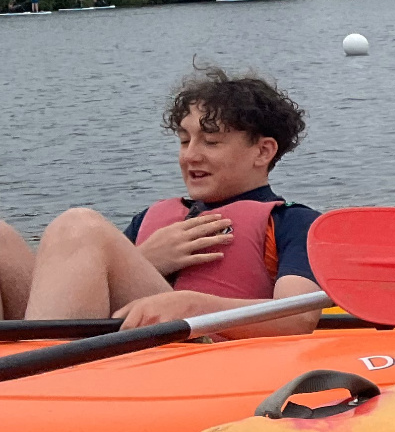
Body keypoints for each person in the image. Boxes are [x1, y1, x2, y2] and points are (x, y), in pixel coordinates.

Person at [22, 67, 322, 335]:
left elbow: (299, 317)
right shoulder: (150, 220)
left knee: (78, 225)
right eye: (184, 140)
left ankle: (34, 387)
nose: (190, 155)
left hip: (206, 357)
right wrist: (147, 260)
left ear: (263, 152)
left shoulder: (294, 223)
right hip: (134, 356)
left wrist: (194, 308)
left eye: (211, 142)